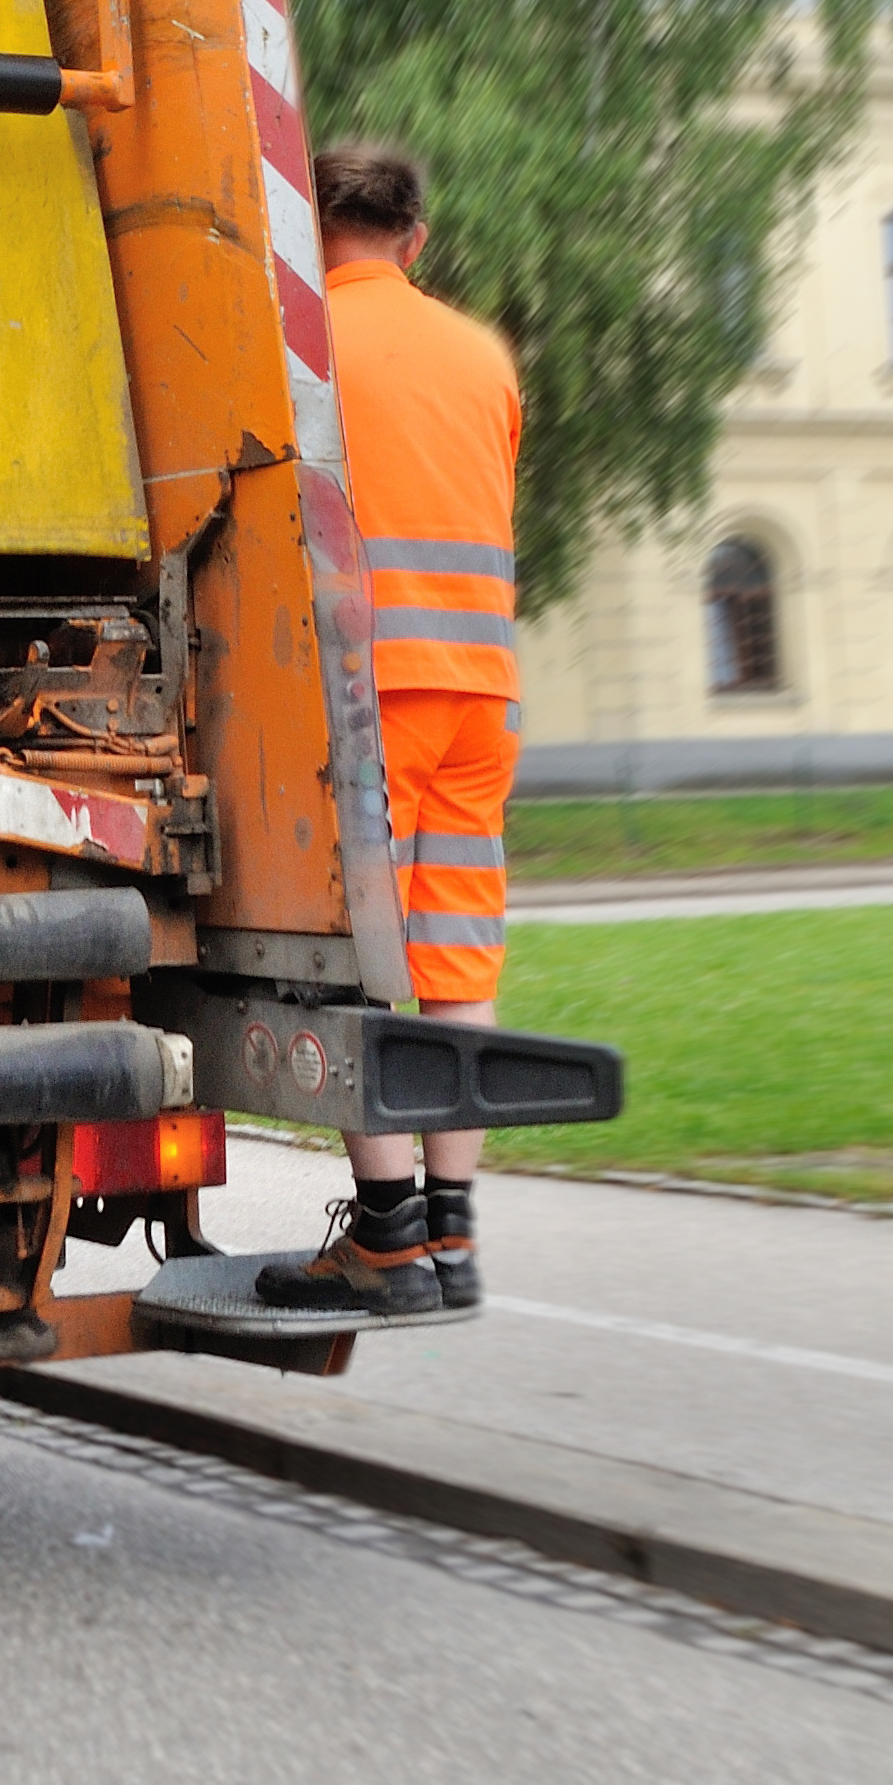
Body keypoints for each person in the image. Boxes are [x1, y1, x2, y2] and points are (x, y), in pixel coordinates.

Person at [262, 140, 519, 1319]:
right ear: (417, 239)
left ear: (318, 232)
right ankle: (457, 1240)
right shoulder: (482, 356)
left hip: (367, 697)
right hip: (479, 692)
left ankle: (386, 1239)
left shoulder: (301, 350)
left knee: (360, 959)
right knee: (457, 952)